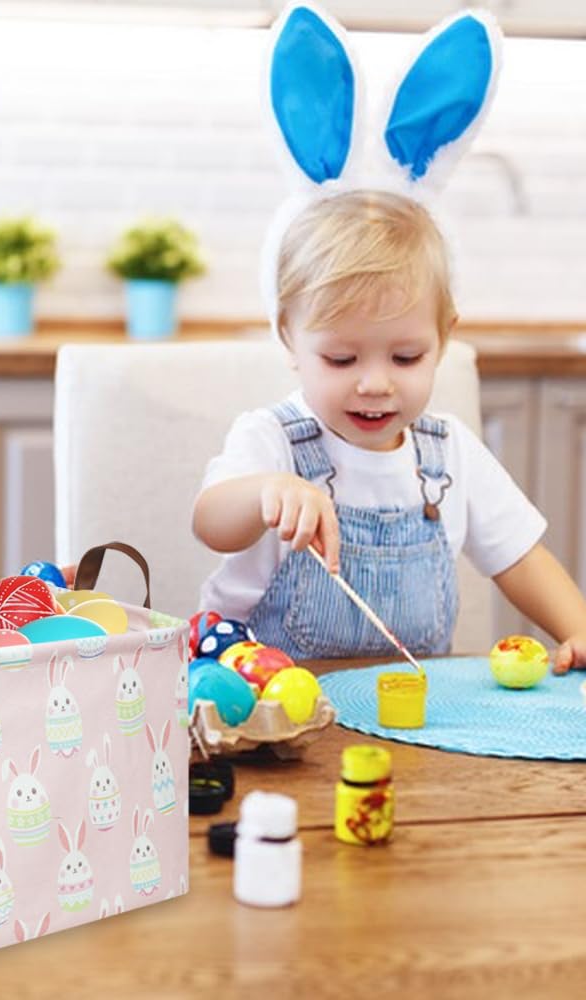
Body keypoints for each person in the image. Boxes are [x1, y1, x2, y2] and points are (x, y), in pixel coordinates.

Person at [192, 190, 586, 674]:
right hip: (265, 708)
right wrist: (265, 492)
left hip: (405, 715)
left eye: (406, 358)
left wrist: (578, 629)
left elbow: (521, 558)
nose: (375, 384)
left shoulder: (449, 452)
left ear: (443, 338)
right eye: (341, 359)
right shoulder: (271, 438)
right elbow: (211, 523)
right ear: (289, 337)